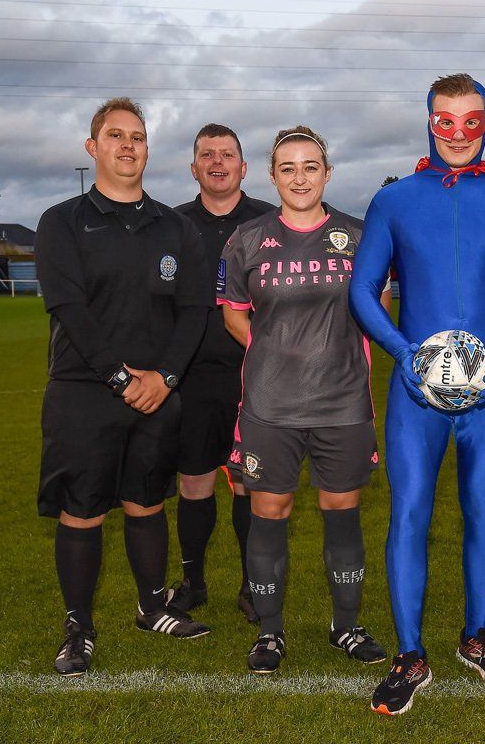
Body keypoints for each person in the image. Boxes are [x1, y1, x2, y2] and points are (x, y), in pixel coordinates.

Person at [349, 73, 485, 715]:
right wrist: (405, 352)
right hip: (417, 388)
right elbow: (362, 289)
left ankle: (477, 635)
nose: (459, 133)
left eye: (472, 120)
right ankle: (410, 655)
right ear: (427, 120)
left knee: (483, 510)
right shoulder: (395, 201)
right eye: (446, 120)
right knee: (409, 512)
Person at [35, 97, 212, 677]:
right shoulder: (62, 221)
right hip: (85, 390)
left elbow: (193, 313)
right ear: (93, 148)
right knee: (82, 510)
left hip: (158, 391)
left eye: (137, 136)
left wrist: (162, 378)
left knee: (147, 500)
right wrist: (119, 378)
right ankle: (78, 627)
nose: (128, 145)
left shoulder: (175, 227)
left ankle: (151, 605)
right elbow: (70, 309)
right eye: (115, 136)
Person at [219, 125, 390, 675]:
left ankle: (346, 625)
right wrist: (278, 354)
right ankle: (270, 632)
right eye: (288, 168)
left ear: (327, 173)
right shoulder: (246, 238)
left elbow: (377, 309)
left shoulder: (359, 237)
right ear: (273, 176)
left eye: (310, 166)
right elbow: (234, 313)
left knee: (342, 514)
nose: (299, 177)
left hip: (343, 404)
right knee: (270, 511)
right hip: (270, 407)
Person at [168, 123, 276, 624]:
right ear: (194, 168)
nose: (217, 162)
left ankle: (253, 585)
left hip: (255, 376)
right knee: (195, 484)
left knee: (248, 483)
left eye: (227, 154)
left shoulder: (268, 222)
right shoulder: (171, 225)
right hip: (189, 378)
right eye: (207, 155)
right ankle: (192, 581)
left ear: (242, 167)